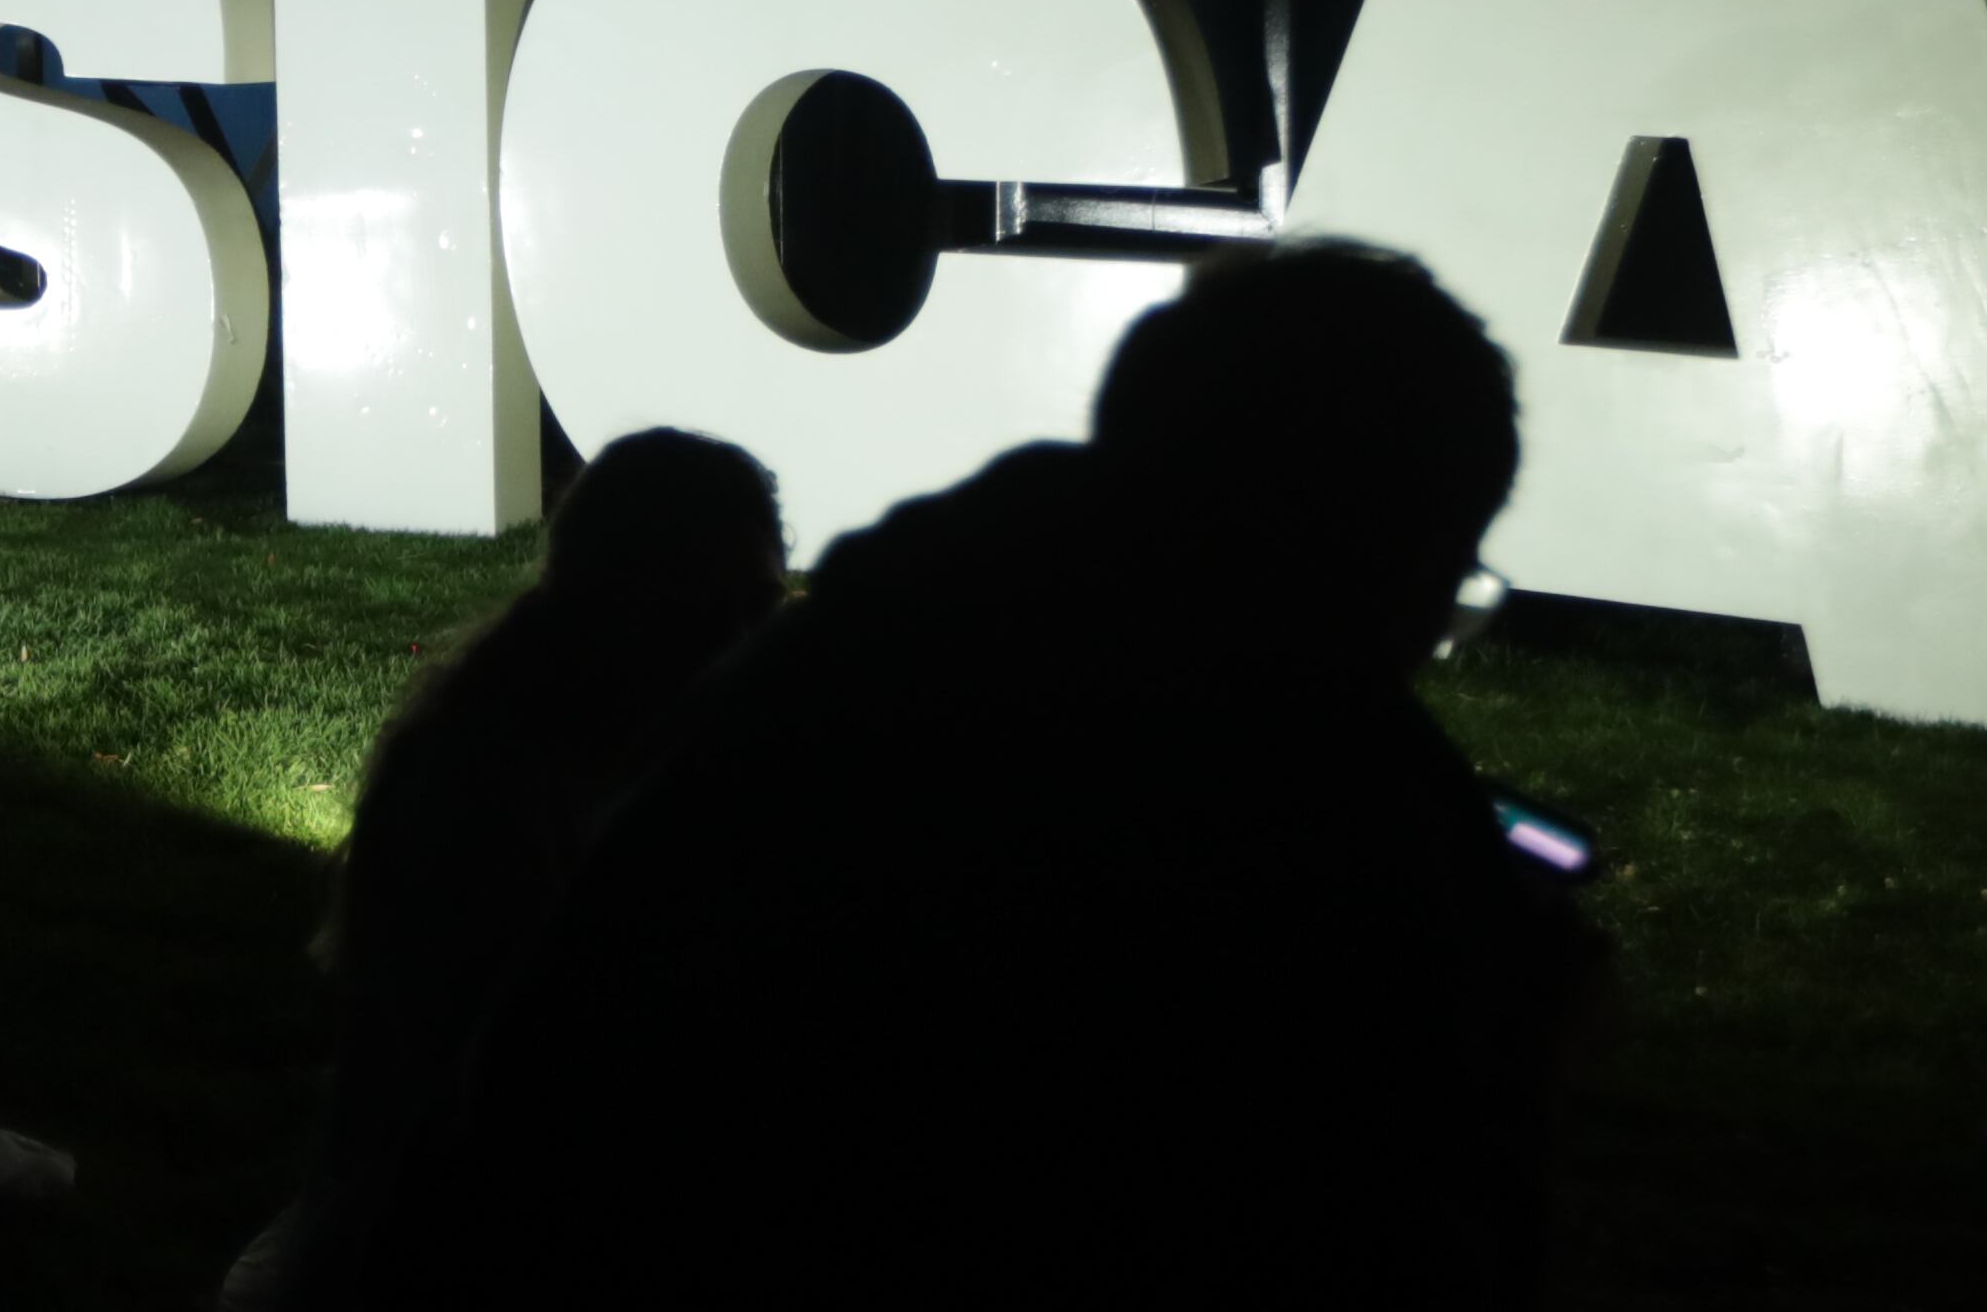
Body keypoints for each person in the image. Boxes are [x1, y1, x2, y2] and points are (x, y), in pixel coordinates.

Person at [314, 244, 1601, 1311]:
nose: (1424, 637)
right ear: (1360, 559)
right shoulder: (1310, 826)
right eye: (1441, 587)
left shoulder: (846, 660)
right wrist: (1495, 1039)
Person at [232, 432, 788, 1310]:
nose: (740, 646)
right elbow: (514, 1097)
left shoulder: (647, 743)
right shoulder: (482, 790)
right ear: (611, 604)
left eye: (760, 611)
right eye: (699, 612)